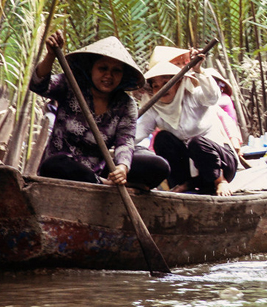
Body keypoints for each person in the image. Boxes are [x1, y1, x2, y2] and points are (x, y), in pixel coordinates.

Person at [31, 31, 169, 189]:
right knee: (55, 164)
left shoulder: (125, 104)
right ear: (91, 69)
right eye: (103, 68)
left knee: (159, 166)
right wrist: (50, 55)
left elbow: (125, 140)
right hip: (65, 168)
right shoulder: (71, 85)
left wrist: (122, 168)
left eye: (116, 71)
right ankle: (101, 184)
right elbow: (38, 85)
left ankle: (105, 181)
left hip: (100, 169)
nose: (108, 75)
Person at [137, 50, 238, 196]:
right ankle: (183, 182)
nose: (161, 89)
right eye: (156, 85)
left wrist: (199, 70)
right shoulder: (155, 108)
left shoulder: (194, 95)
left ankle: (220, 181)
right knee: (162, 138)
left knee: (196, 142)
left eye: (166, 83)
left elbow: (212, 97)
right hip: (190, 170)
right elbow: (139, 133)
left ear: (178, 82)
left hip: (220, 163)